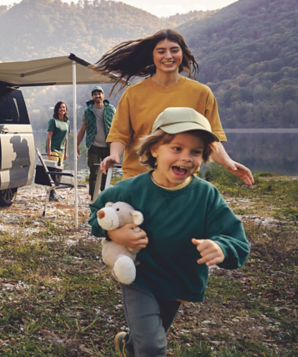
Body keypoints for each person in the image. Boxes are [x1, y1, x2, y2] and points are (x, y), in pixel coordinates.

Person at [89, 107, 250, 356]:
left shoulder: (206, 195)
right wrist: (113, 234)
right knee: (153, 346)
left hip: (178, 280)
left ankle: (127, 345)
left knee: (150, 336)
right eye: (176, 148)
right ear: (154, 149)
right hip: (139, 276)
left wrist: (221, 247)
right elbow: (96, 214)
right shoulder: (131, 189)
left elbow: (237, 241)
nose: (186, 158)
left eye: (195, 152)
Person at [97, 29, 254, 186]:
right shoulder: (133, 94)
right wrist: (114, 155)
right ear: (152, 56)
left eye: (174, 50)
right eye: (161, 51)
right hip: (138, 182)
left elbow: (212, 138)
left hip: (182, 183)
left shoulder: (201, 93)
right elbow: (120, 135)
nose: (168, 56)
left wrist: (228, 163)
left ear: (182, 54)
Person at [76, 86, 115, 199]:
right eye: (95, 94)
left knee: (106, 172)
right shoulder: (88, 111)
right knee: (93, 171)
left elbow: (117, 127)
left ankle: (104, 194)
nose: (97, 96)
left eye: (99, 93)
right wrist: (77, 146)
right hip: (94, 146)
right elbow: (83, 129)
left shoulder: (111, 109)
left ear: (103, 95)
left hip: (108, 145)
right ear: (92, 97)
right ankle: (93, 196)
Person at [46, 101, 69, 201]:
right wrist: (48, 150)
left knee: (59, 173)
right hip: (53, 150)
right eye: (60, 107)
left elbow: (66, 138)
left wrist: (66, 152)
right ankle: (51, 193)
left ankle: (53, 192)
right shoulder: (53, 121)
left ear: (66, 109)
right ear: (57, 109)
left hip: (61, 150)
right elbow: (49, 137)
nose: (62, 109)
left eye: (63, 107)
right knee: (53, 173)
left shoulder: (67, 122)